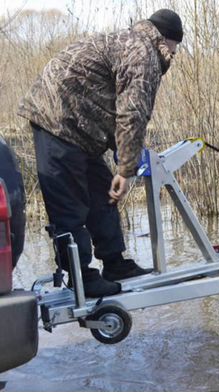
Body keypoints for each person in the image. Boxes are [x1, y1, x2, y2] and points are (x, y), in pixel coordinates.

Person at [17, 9, 184, 297]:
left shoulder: (131, 42)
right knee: (69, 207)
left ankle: (115, 263)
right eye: (175, 47)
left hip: (81, 129)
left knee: (102, 195)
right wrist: (126, 170)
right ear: (167, 40)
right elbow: (132, 114)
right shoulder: (143, 54)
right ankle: (84, 278)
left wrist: (123, 157)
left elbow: (112, 103)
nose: (175, 54)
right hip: (56, 121)